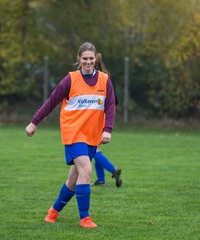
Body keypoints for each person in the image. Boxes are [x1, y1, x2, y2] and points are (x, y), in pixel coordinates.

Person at [25, 42, 116, 228]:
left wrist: (108, 129)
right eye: (85, 59)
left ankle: (54, 211)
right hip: (73, 132)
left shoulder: (104, 80)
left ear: (95, 58)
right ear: (79, 59)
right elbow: (52, 101)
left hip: (92, 134)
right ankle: (85, 218)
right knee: (87, 171)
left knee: (73, 180)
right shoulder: (70, 79)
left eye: (91, 58)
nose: (88, 62)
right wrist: (34, 122)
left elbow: (110, 106)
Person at [91, 53, 122, 187]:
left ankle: (113, 169)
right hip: (103, 118)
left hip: (96, 119)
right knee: (96, 149)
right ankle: (101, 179)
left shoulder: (94, 78)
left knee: (93, 151)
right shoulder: (105, 76)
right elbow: (115, 101)